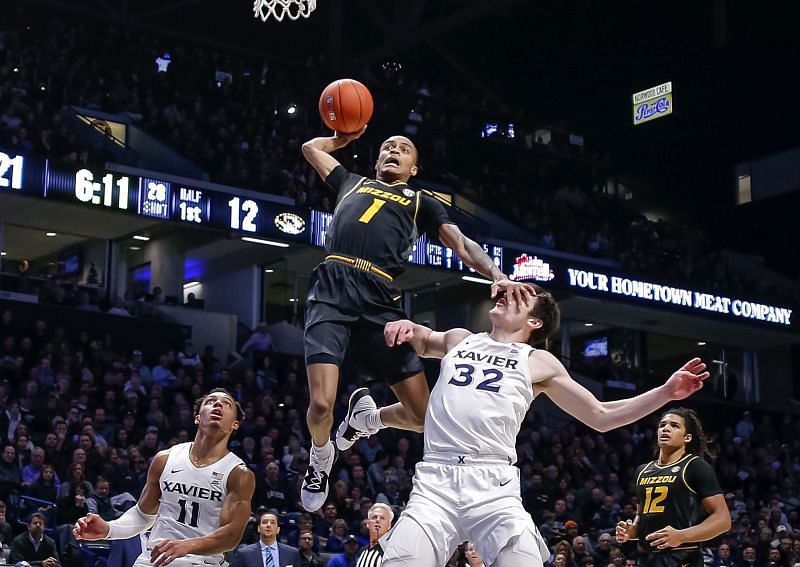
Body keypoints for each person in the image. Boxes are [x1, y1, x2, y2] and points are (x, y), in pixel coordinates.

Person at [376, 283, 710, 567]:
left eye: (521, 298)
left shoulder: (537, 360)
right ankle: (368, 418)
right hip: (436, 479)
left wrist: (665, 392)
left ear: (534, 321)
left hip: (493, 485)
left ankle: (369, 419)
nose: (507, 296)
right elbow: (421, 338)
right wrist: (404, 326)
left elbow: (601, 415)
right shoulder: (461, 338)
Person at [299, 127, 529, 511]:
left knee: (422, 417)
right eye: (388, 147)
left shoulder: (421, 201)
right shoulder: (350, 182)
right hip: (332, 289)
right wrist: (345, 135)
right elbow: (310, 147)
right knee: (321, 406)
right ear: (376, 160)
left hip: (380, 296)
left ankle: (368, 420)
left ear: (414, 167)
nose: (394, 150)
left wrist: (497, 274)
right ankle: (320, 458)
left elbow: (461, 244)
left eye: (403, 149)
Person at [73, 388, 255, 567]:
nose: (217, 404)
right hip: (155, 560)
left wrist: (188, 545)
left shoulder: (238, 474)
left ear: (235, 424)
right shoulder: (165, 459)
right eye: (210, 401)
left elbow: (231, 536)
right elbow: (143, 515)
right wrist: (109, 529)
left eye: (226, 404)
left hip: (202, 562)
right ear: (198, 417)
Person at [615, 408, 731, 567]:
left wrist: (681, 536)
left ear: (687, 437)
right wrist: (632, 531)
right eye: (662, 425)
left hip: (684, 556)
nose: (666, 428)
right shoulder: (642, 470)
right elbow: (642, 515)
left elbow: (723, 520)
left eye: (675, 425)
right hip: (648, 558)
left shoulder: (695, 466)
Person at [233, 510, 301, 567]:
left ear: (278, 530)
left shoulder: (292, 553)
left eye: (272, 523)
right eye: (264, 522)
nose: (268, 525)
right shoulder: (244, 553)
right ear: (259, 528)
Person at [355, 503, 393, 567]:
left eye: (382, 518)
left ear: (389, 526)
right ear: (368, 524)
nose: (378, 520)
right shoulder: (362, 552)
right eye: (374, 517)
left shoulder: (392, 552)